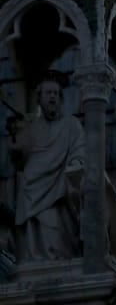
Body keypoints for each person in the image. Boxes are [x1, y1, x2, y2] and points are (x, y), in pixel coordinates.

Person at [11, 75, 84, 262]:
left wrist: (75, 164)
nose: (52, 97)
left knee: (54, 228)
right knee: (35, 229)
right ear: (39, 98)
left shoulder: (71, 125)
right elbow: (21, 159)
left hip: (59, 186)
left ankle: (56, 257)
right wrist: (16, 149)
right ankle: (34, 259)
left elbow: (79, 150)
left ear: (60, 98)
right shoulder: (33, 128)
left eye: (56, 94)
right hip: (32, 186)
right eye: (48, 93)